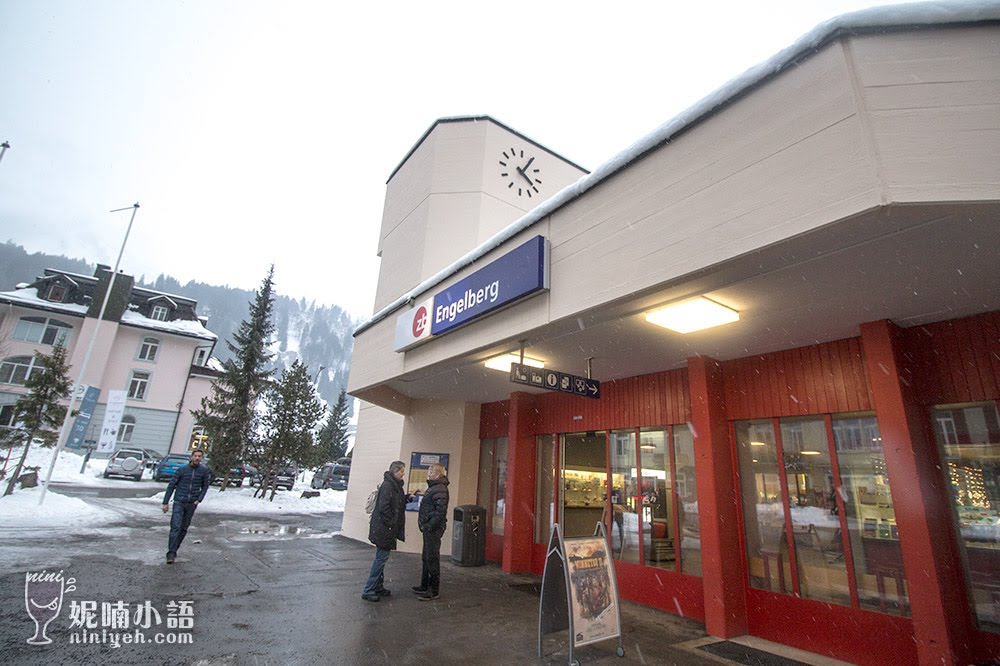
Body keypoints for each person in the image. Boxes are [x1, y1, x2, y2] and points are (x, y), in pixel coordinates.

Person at [362, 460, 408, 602]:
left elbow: (395, 503)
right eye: (401, 471)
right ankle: (369, 589)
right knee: (381, 559)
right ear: (395, 471)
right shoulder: (388, 486)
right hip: (383, 529)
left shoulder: (393, 486)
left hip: (383, 528)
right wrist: (392, 523)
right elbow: (384, 508)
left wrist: (406, 499)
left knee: (382, 558)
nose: (403, 473)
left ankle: (378, 586)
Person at [161, 448, 211, 564]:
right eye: (195, 456)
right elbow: (171, 485)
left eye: (199, 456)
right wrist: (165, 502)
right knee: (176, 527)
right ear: (191, 457)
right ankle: (171, 553)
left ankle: (175, 549)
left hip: (191, 503)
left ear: (201, 458)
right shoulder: (182, 470)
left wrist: (199, 499)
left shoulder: (203, 471)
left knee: (183, 528)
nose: (197, 458)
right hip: (179, 501)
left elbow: (205, 486)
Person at [413, 463, 450, 601]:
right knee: (427, 557)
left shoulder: (439, 489)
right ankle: (424, 585)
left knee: (432, 558)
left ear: (437, 474)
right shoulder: (435, 488)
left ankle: (433, 590)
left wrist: (429, 525)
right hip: (429, 528)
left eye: (431, 473)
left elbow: (440, 512)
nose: (428, 475)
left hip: (432, 529)